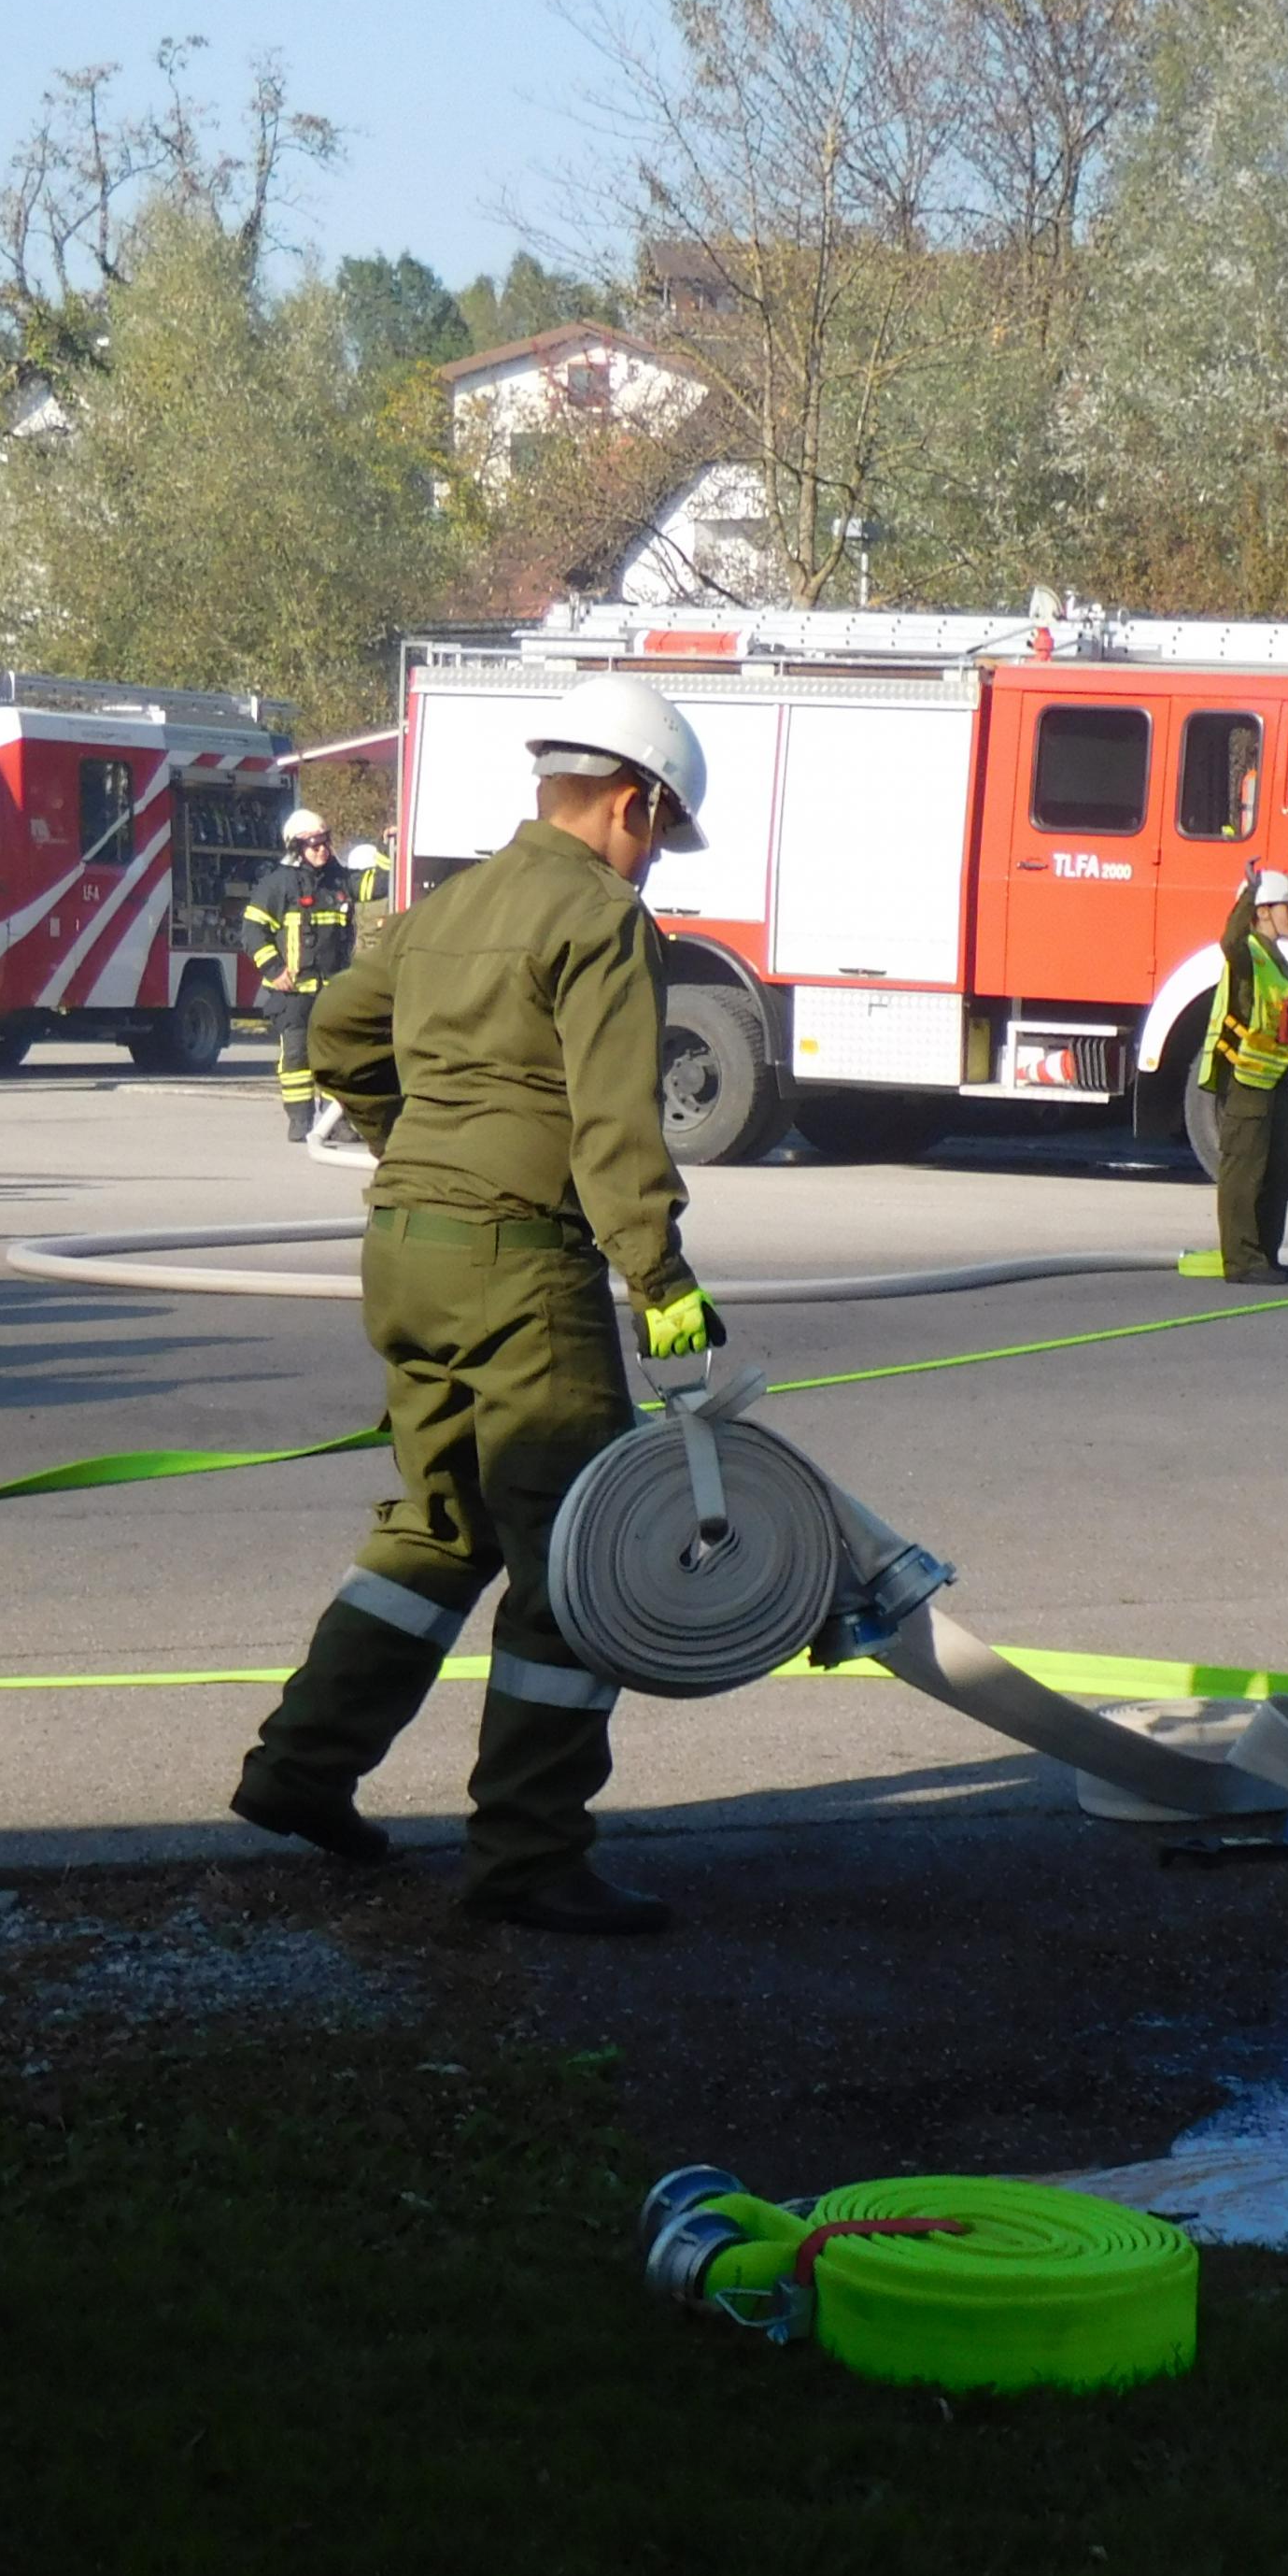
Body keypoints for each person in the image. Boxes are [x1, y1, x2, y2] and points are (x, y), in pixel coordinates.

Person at [228, 675, 724, 1936]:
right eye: (660, 832)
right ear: (634, 800)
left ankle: (300, 1770)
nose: (653, 857)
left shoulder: (444, 906)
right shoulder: (600, 918)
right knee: (574, 1560)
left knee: (438, 1528)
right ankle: (528, 1857)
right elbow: (614, 1126)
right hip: (520, 1267)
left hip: (406, 1248)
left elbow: (338, 1035)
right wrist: (660, 1284)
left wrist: (417, 1143)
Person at [1200, 866, 1288, 1284]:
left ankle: (1265, 1254)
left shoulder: (1276, 961)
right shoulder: (1246, 952)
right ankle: (1242, 1261)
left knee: (1280, 1167)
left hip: (1273, 1081)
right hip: (1246, 1080)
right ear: (1263, 911)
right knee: (1245, 1171)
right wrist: (1250, 892)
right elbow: (1229, 940)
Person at [246, 808, 361, 1144]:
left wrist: (393, 848)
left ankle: (336, 1121)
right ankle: (300, 1120)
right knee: (296, 1058)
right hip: (293, 994)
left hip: (333, 990)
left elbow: (376, 883)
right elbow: (252, 932)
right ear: (296, 847)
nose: (322, 849)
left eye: (325, 842)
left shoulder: (338, 880)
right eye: (314, 844)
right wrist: (274, 969)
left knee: (336, 1057)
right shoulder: (277, 885)